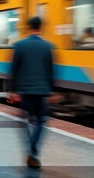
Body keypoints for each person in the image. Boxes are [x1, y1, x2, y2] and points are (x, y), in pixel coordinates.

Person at [8, 16, 59, 169]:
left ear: (29, 28)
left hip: (25, 91)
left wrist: (13, 90)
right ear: (40, 28)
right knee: (40, 121)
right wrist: (53, 91)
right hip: (42, 92)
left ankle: (30, 149)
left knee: (23, 120)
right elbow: (51, 71)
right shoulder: (48, 47)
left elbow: (14, 70)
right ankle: (33, 151)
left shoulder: (19, 45)